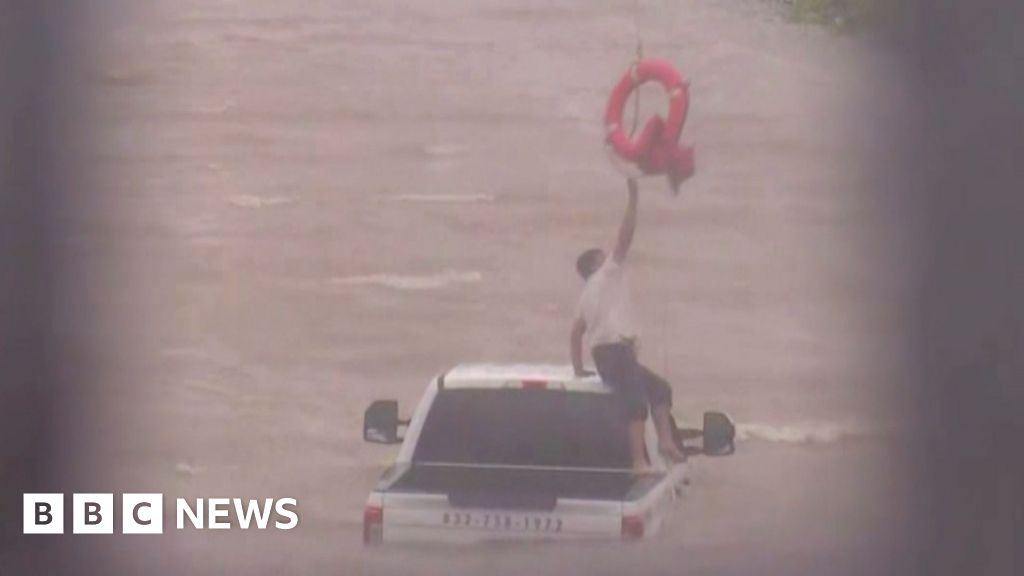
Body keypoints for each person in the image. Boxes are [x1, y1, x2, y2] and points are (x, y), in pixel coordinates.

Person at [570, 178, 687, 473]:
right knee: (636, 402)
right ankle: (638, 461)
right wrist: (633, 197)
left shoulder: (586, 295)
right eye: (603, 256)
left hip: (607, 354)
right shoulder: (606, 275)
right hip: (615, 351)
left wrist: (578, 368)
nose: (610, 257)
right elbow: (625, 237)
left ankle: (665, 442)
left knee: (659, 390)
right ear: (596, 265)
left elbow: (575, 334)